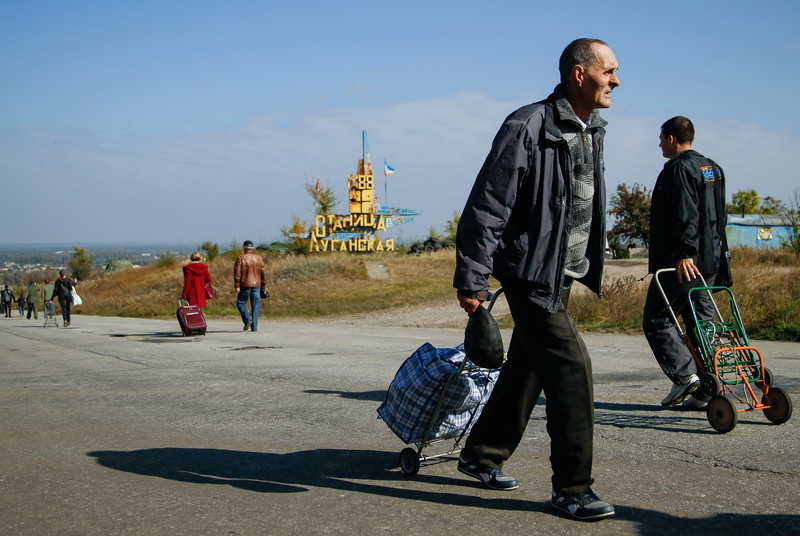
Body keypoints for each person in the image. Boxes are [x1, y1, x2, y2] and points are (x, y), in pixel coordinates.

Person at [452, 38, 619, 521]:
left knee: (527, 368)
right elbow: (488, 205)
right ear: (578, 73)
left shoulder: (591, 129)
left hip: (560, 272)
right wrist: (473, 279)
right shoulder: (528, 124)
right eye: (608, 71)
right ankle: (572, 488)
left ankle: (480, 453)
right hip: (529, 272)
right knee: (571, 369)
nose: (616, 80)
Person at [643, 116, 727, 409]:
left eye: (660, 138)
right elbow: (719, 215)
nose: (659, 144)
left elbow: (685, 214)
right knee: (700, 324)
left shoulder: (678, 169)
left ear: (670, 138)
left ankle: (685, 376)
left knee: (656, 319)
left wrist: (683, 253)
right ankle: (708, 387)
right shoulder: (711, 168)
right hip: (711, 261)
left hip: (684, 263)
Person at [234, 240, 267, 332]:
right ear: (252, 249)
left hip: (245, 284)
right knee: (255, 306)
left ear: (244, 248)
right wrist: (263, 286)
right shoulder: (258, 258)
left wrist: (237, 285)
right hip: (257, 284)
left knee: (240, 303)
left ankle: (247, 319)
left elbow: (237, 273)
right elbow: (263, 272)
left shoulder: (241, 258)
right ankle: (254, 327)